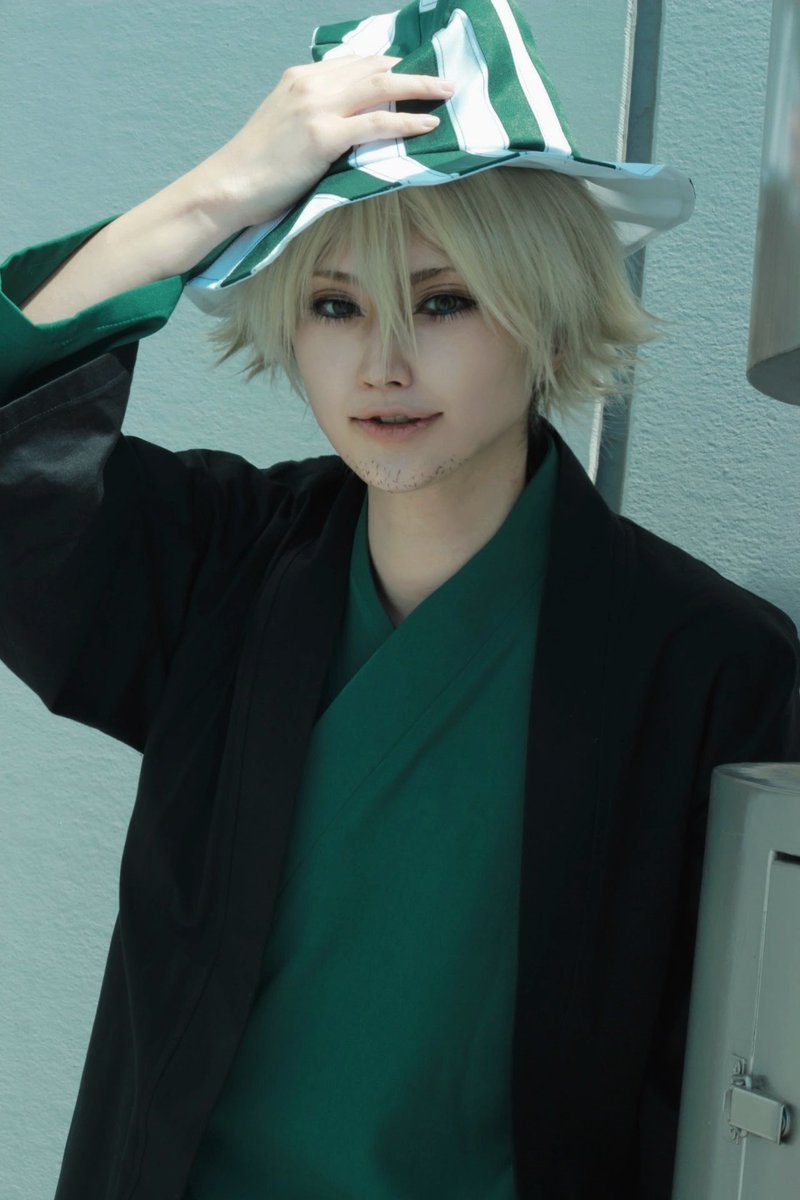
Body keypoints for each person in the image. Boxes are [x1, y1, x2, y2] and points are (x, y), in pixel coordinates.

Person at [1, 1, 798, 1198]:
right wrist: (218, 194)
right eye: (335, 304)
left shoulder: (706, 666)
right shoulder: (218, 567)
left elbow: (709, 1089)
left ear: (544, 315)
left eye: (442, 300)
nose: (381, 364)